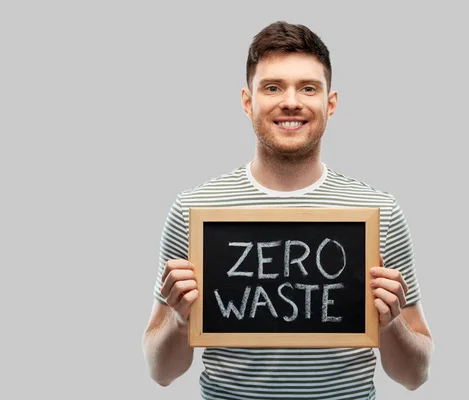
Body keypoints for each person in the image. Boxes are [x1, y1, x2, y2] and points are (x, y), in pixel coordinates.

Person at [142, 21, 434, 399]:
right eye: (273, 87)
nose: (291, 101)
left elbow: (415, 376)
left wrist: (391, 323)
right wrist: (181, 322)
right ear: (248, 102)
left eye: (308, 88)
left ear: (330, 103)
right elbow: (160, 373)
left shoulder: (379, 211)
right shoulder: (195, 210)